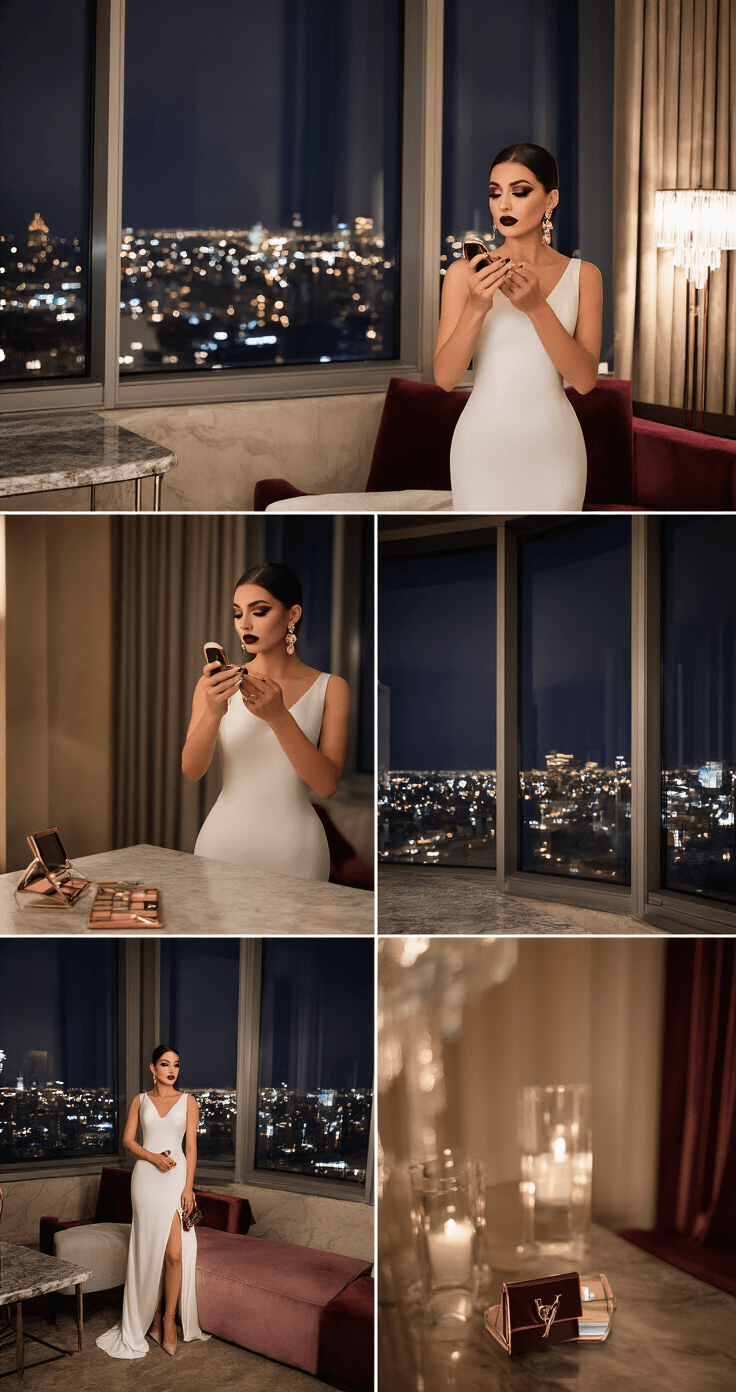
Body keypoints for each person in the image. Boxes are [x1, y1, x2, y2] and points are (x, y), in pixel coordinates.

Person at [435, 142, 603, 511]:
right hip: (481, 446)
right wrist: (477, 305)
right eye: (495, 193)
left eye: (520, 192)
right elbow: (445, 378)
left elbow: (585, 380)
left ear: (550, 199)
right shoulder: (465, 275)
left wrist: (537, 308)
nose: (504, 205)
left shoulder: (584, 276)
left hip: (555, 448)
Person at [183, 562, 350, 880]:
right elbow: (192, 770)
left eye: (259, 611)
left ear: (292, 615)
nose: (244, 624)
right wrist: (214, 711)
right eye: (237, 613)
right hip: (222, 845)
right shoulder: (216, 685)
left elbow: (326, 786)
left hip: (296, 851)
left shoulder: (332, 687)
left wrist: (279, 717)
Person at [96, 1045, 210, 1359]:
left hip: (176, 1182)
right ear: (152, 1068)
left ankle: (169, 1319)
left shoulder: (188, 1101)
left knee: (174, 1253)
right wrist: (153, 1158)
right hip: (146, 1180)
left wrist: (189, 1188)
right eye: (164, 1064)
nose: (171, 1070)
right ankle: (152, 1318)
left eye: (176, 1064)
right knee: (149, 1253)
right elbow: (128, 1140)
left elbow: (192, 1147)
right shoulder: (140, 1100)